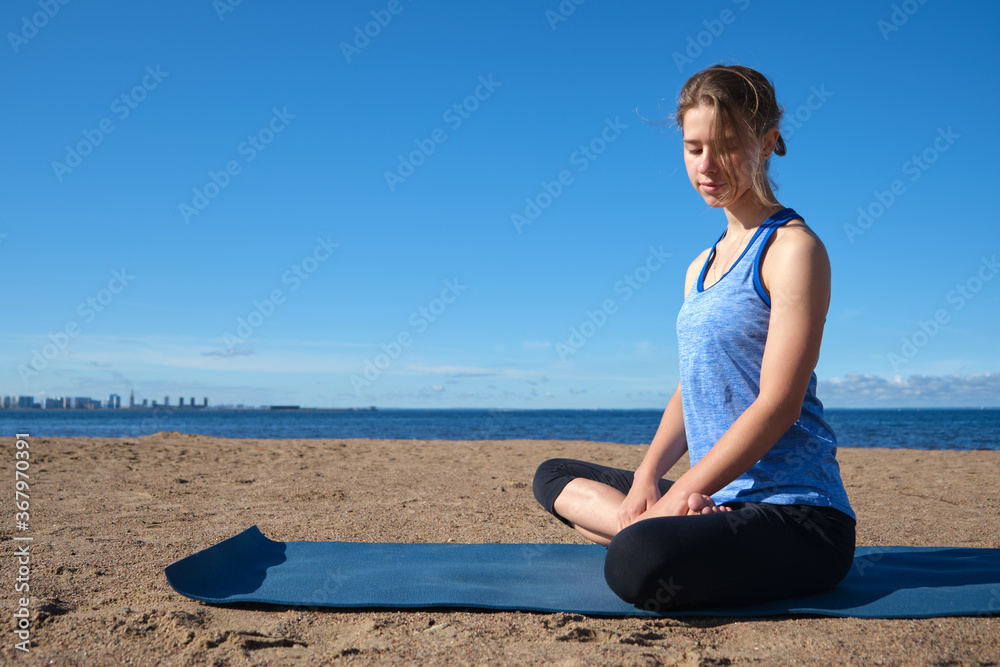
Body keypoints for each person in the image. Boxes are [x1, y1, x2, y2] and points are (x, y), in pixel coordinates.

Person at [532, 64, 856, 611]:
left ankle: (649, 531)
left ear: (769, 142)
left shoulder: (794, 250)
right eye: (693, 147)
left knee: (636, 563)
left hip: (798, 514)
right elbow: (693, 385)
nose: (707, 166)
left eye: (727, 146)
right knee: (553, 475)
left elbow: (779, 404)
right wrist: (647, 479)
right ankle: (654, 525)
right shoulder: (699, 267)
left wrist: (675, 498)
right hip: (716, 495)